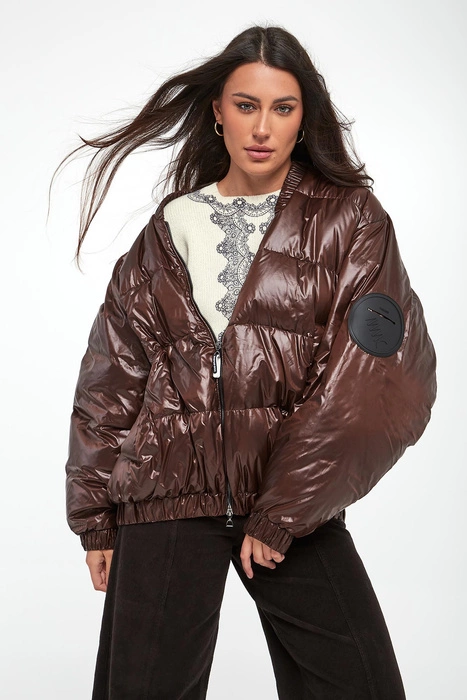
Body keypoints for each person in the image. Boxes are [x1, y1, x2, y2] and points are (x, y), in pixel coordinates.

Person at [62, 25, 437, 700]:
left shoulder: (350, 220)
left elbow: (375, 379)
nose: (262, 127)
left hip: (289, 503)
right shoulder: (171, 225)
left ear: (304, 117)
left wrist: (282, 512)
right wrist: (94, 517)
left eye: (282, 107)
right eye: (245, 105)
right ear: (218, 111)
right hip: (165, 494)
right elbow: (113, 374)